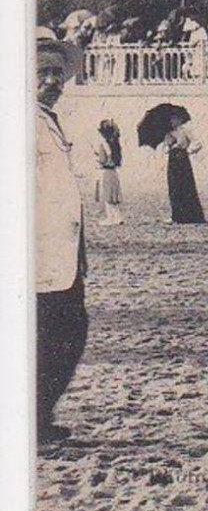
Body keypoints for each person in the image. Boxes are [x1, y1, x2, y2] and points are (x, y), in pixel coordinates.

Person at [35, 31, 88, 444]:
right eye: (43, 73)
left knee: (68, 332)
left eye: (58, 73)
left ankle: (37, 416)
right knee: (53, 336)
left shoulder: (46, 119)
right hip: (34, 255)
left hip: (62, 253)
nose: (53, 81)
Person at [161, 111, 205, 224]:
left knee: (186, 186)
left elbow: (198, 143)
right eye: (171, 120)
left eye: (175, 119)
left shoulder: (185, 130)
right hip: (172, 160)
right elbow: (165, 149)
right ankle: (176, 215)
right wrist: (169, 145)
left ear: (180, 120)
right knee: (174, 188)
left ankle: (190, 215)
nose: (172, 122)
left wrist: (188, 151)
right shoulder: (168, 133)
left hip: (182, 161)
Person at [93, 118, 124, 226]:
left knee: (108, 197)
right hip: (114, 172)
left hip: (106, 171)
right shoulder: (115, 144)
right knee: (114, 196)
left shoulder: (103, 145)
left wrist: (97, 157)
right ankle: (118, 217)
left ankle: (110, 218)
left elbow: (102, 160)